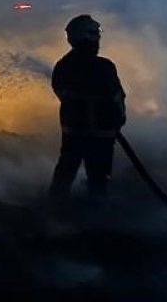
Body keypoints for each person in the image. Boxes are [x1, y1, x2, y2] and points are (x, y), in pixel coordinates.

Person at [49, 14, 127, 199]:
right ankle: (95, 212)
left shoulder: (62, 65)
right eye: (95, 36)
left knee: (65, 172)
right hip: (101, 134)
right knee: (98, 179)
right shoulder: (104, 67)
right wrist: (119, 119)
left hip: (73, 132)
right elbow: (117, 98)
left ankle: (55, 208)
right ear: (88, 37)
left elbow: (60, 93)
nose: (98, 41)